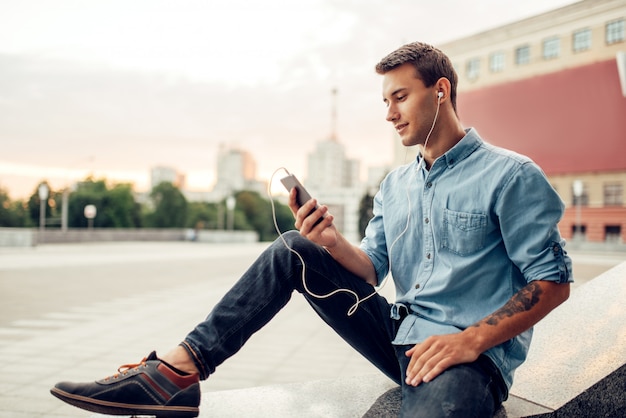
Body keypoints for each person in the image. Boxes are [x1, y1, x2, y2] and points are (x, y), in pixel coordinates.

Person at [50, 41, 572, 418]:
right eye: (384, 101)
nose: (389, 113)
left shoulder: (512, 175)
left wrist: (473, 340)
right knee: (294, 248)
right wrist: (329, 242)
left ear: (441, 91)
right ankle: (177, 371)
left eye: (399, 97)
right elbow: (371, 269)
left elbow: (552, 281)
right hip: (396, 336)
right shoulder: (394, 186)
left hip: (468, 359)